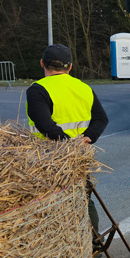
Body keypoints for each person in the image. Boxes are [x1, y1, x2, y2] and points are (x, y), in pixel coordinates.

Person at [26, 44, 109, 229]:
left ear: (42, 63)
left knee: (50, 205)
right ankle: (92, 245)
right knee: (83, 199)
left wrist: (66, 146)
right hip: (79, 156)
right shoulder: (83, 87)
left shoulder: (37, 89)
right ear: (70, 66)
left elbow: (45, 125)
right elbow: (101, 118)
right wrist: (87, 138)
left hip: (46, 158)